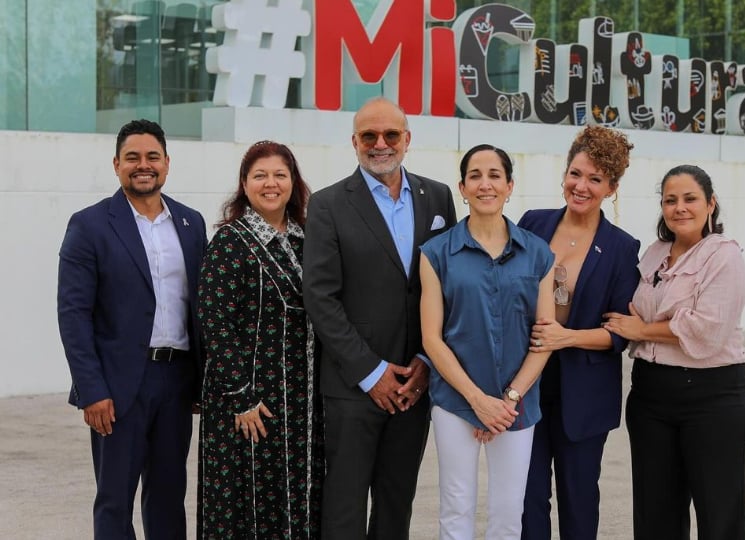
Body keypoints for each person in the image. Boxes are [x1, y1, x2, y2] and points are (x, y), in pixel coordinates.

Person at [302, 96, 457, 540]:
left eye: (391, 134)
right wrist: (371, 373)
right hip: (354, 386)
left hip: (416, 381)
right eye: (369, 135)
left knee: (396, 504)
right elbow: (320, 297)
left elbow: (447, 286)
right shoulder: (329, 205)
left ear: (407, 139)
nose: (380, 143)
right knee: (344, 508)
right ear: (354, 142)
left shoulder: (439, 196)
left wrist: (428, 361)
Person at [57, 119, 206, 539]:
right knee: (114, 500)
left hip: (176, 381)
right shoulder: (89, 225)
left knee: (168, 495)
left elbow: (200, 308)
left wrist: (201, 381)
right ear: (117, 165)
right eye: (133, 158)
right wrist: (92, 389)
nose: (144, 165)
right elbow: (73, 313)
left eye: (152, 157)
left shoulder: (191, 224)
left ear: (167, 163)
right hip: (117, 386)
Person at [603, 164, 745, 540]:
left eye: (690, 199)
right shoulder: (654, 254)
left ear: (711, 204)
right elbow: (633, 308)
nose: (679, 208)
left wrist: (643, 330)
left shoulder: (723, 255)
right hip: (651, 396)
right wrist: (651, 326)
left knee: (721, 518)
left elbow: (708, 329)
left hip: (713, 398)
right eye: (670, 200)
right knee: (656, 518)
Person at [420, 144, 556, 540]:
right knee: (456, 507)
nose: (485, 184)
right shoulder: (436, 253)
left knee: (507, 511)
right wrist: (478, 400)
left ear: (510, 186)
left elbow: (543, 339)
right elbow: (432, 337)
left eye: (495, 175)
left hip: (517, 405)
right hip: (456, 401)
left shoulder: (538, 254)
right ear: (462, 187)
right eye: (475, 176)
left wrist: (509, 399)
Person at [196, 141, 323, 538]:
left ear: (293, 182)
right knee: (248, 503)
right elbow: (215, 322)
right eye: (260, 176)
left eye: (280, 175)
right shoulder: (230, 242)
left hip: (302, 401)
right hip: (251, 403)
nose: (271, 184)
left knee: (300, 496)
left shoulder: (309, 240)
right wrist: (241, 396)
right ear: (244, 184)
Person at [518, 126, 640, 539]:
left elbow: (618, 333)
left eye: (594, 179)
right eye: (575, 173)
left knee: (578, 497)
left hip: (584, 394)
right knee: (527, 497)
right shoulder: (532, 223)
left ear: (612, 187)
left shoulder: (623, 247)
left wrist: (565, 337)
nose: (581, 186)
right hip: (527, 387)